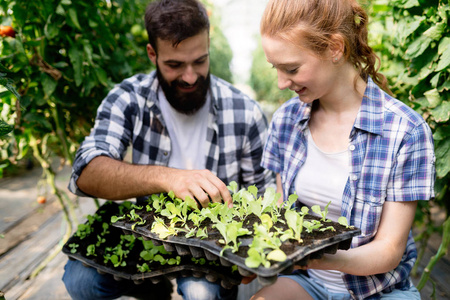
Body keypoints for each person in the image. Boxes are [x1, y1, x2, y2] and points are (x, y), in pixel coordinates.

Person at [62, 0, 275, 299]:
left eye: (200, 61)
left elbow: (265, 197)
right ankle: (153, 287)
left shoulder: (244, 111)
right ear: (153, 54)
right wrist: (170, 178)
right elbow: (85, 172)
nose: (190, 76)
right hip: (149, 237)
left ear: (209, 46)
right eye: (175, 65)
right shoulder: (129, 99)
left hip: (212, 246)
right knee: (81, 281)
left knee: (202, 293)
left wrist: (254, 251)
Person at [251, 0, 436, 299]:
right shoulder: (286, 121)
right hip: (310, 282)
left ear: (335, 48)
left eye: (292, 68)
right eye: (276, 68)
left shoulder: (405, 131)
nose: (281, 82)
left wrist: (325, 258)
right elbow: (281, 215)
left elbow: (389, 250)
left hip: (379, 291)